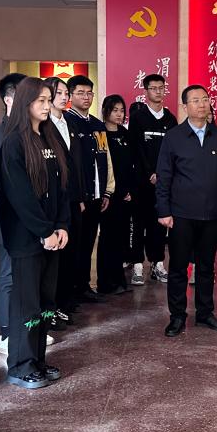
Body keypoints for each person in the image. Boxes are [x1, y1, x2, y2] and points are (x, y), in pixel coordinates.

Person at [0, 78, 69, 389]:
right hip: (28, 238)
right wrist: (44, 231)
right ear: (25, 102)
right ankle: (20, 364)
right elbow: (20, 196)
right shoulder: (13, 142)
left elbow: (63, 187)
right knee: (26, 303)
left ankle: (37, 358)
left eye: (48, 100)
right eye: (40, 100)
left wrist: (62, 225)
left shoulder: (50, 138)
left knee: (45, 301)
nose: (46, 105)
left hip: (52, 235)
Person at [155, 85, 217, 337]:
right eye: (196, 100)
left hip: (211, 213)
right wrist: (163, 210)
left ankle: (205, 313)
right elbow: (164, 176)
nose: (202, 104)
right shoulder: (173, 137)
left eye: (205, 99)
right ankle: (177, 316)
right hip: (181, 214)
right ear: (185, 106)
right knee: (179, 267)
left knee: (206, 266)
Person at [0, 73, 26, 356]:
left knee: (25, 277)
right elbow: (4, 181)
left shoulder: (28, 132)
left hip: (29, 220)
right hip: (10, 219)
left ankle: (22, 328)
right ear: (10, 99)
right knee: (8, 275)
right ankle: (5, 332)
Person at [127, 74, 177, 286]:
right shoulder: (138, 118)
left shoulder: (170, 119)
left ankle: (157, 264)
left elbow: (173, 151)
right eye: (153, 88)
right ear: (146, 91)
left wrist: (162, 174)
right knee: (138, 224)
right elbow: (136, 150)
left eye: (161, 88)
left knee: (159, 224)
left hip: (163, 183)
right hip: (141, 182)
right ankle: (138, 264)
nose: (158, 91)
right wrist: (149, 173)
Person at [65, 75, 108, 301]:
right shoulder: (66, 121)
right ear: (70, 96)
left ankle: (83, 286)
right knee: (75, 244)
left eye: (89, 93)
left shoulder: (98, 124)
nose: (86, 97)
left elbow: (103, 156)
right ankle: (71, 289)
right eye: (80, 93)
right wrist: (78, 195)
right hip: (78, 196)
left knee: (89, 241)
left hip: (96, 193)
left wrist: (105, 191)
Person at [45, 76, 84, 325]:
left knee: (72, 252)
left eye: (65, 93)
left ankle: (66, 301)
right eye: (57, 93)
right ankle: (51, 308)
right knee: (54, 258)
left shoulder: (70, 122)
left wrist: (80, 196)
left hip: (72, 198)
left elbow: (77, 163)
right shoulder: (43, 125)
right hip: (54, 201)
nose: (63, 97)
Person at [98, 94, 134, 295]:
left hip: (125, 195)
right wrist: (113, 191)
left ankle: (119, 280)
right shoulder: (100, 133)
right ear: (106, 111)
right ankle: (105, 282)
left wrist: (129, 191)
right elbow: (103, 167)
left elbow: (130, 165)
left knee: (121, 238)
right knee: (107, 238)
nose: (119, 114)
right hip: (108, 195)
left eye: (122, 110)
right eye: (115, 110)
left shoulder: (125, 133)